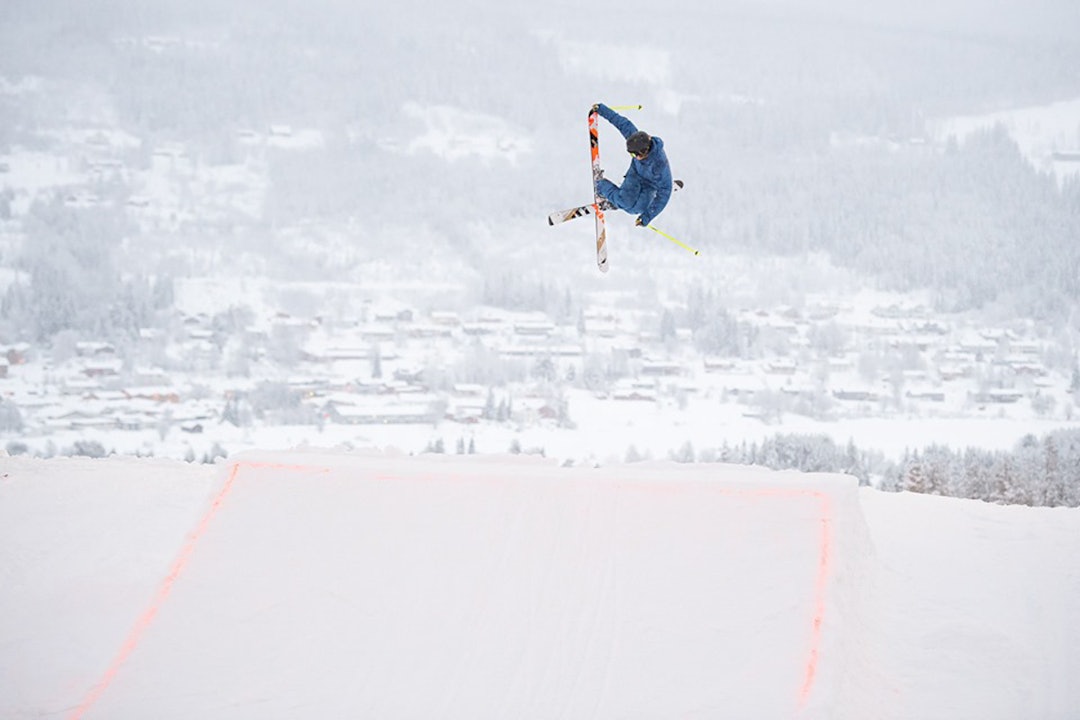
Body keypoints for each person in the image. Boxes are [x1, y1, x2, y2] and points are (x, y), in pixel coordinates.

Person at [592, 102, 673, 228]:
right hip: (635, 174)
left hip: (650, 184)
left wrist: (646, 218)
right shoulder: (637, 139)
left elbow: (665, 192)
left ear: (643, 152)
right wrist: (602, 109)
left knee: (637, 209)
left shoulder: (659, 166)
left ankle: (616, 202)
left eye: (634, 155)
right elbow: (622, 123)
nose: (633, 157)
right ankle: (600, 184)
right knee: (626, 202)